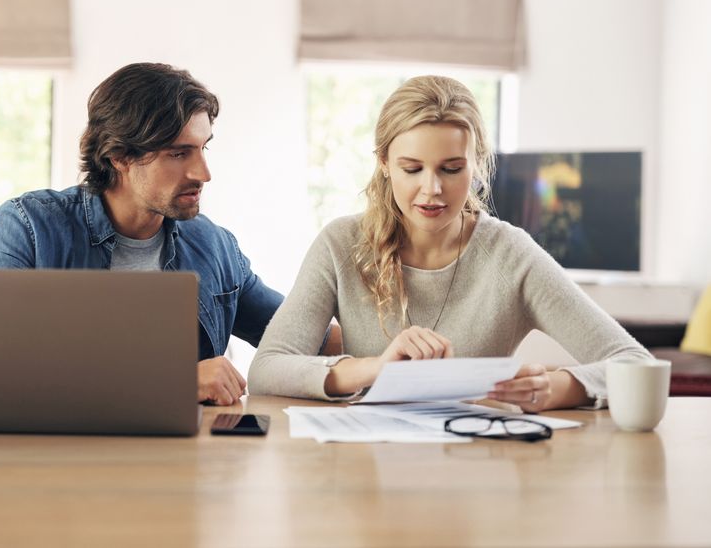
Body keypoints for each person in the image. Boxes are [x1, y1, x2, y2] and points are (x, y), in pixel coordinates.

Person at [247, 75, 650, 411]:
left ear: (476, 164)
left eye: (451, 168)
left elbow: (634, 362)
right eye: (412, 168)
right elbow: (267, 369)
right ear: (384, 164)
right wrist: (377, 368)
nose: (432, 190)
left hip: (475, 465)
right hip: (367, 470)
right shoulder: (340, 244)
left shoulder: (511, 254)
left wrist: (559, 387)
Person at [0, 63, 299, 406]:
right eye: (178, 153)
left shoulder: (214, 246)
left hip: (185, 454)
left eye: (204, 148)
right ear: (119, 156)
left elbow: (301, 336)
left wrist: (359, 357)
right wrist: (175, 381)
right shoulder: (28, 229)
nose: (203, 173)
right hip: (58, 451)